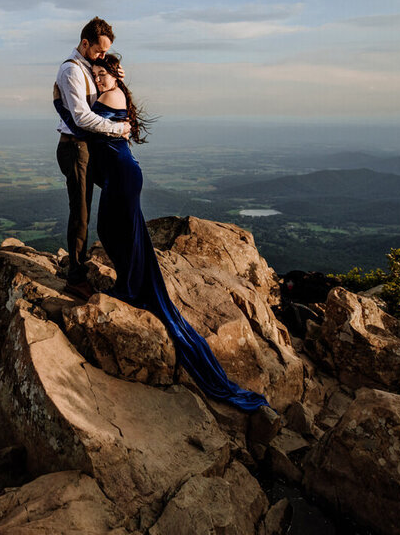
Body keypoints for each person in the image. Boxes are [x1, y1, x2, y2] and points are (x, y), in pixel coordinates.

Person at [54, 54, 269, 411]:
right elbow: (84, 114)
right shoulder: (106, 93)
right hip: (117, 178)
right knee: (113, 231)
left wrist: (64, 102)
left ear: (116, 77)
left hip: (122, 176)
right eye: (96, 74)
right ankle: (131, 282)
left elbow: (84, 123)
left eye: (104, 74)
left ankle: (132, 287)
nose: (99, 79)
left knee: (113, 229)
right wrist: (65, 100)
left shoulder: (113, 97)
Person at [54, 17, 131, 299]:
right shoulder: (72, 71)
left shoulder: (90, 68)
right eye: (99, 51)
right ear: (84, 43)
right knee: (81, 212)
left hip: (89, 148)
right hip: (75, 148)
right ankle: (76, 277)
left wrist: (112, 77)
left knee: (115, 199)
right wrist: (117, 129)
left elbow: (102, 102)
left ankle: (125, 263)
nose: (103, 55)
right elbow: (82, 117)